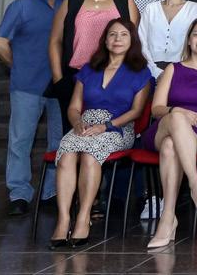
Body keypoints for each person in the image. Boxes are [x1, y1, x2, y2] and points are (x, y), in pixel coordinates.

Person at [49, 18, 152, 249]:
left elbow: (136, 111)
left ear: (132, 40)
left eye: (123, 35)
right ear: (105, 40)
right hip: (85, 125)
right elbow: (74, 107)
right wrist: (77, 123)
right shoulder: (89, 69)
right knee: (66, 154)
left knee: (89, 155)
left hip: (118, 128)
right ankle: (63, 219)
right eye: (112, 34)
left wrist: (105, 126)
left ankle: (83, 216)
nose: (117, 39)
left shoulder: (140, 72)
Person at [142, 18, 197, 249]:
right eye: (196, 34)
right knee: (176, 118)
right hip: (164, 126)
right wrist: (179, 111)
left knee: (170, 147)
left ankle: (167, 218)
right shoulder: (173, 68)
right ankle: (195, 182)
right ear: (189, 40)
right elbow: (156, 109)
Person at [0, 0, 66, 217]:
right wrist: (17, 66)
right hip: (27, 85)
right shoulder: (21, 6)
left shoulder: (70, 4)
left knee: (59, 141)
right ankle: (19, 193)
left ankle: (51, 192)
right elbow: (0, 43)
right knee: (20, 141)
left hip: (61, 85)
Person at [48, 0, 138, 132]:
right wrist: (58, 79)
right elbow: (55, 40)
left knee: (104, 132)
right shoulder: (72, 1)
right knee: (73, 132)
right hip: (75, 76)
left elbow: (133, 41)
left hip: (113, 78)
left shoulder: (125, 1)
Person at [137, 0, 197, 77]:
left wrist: (177, 71)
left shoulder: (194, 8)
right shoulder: (151, 8)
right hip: (150, 69)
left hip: (182, 69)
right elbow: (141, 41)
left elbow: (195, 41)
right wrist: (155, 71)